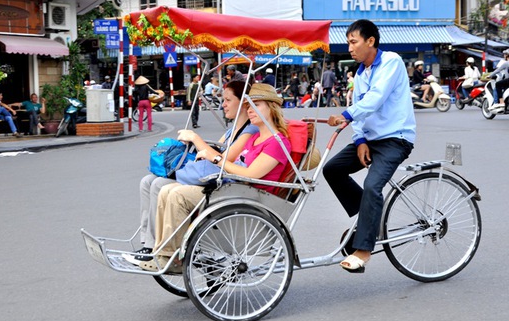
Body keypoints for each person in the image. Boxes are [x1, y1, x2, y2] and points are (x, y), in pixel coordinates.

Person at [139, 83, 292, 273]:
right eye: (249, 106)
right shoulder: (254, 138)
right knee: (167, 189)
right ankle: (163, 250)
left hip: (248, 195)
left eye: (257, 105)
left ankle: (172, 257)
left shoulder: (276, 143)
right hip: (232, 187)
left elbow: (250, 174)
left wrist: (217, 159)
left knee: (177, 194)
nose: (250, 110)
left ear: (272, 107)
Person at [123, 80, 259, 266]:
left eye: (228, 100)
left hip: (223, 184)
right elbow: (211, 152)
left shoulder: (250, 131)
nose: (223, 104)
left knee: (158, 185)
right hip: (210, 176)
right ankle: (148, 243)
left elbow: (221, 158)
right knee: (147, 181)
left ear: (243, 102)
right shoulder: (230, 131)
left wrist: (195, 138)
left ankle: (157, 247)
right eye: (223, 100)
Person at [323, 19, 415, 273]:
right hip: (371, 140)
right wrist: (360, 140)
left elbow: (374, 100)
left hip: (395, 139)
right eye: (348, 43)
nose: (350, 48)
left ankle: (364, 248)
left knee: (372, 185)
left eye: (354, 42)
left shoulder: (391, 62)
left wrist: (345, 115)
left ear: (370, 41)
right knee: (332, 169)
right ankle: (368, 218)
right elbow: (361, 110)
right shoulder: (361, 73)